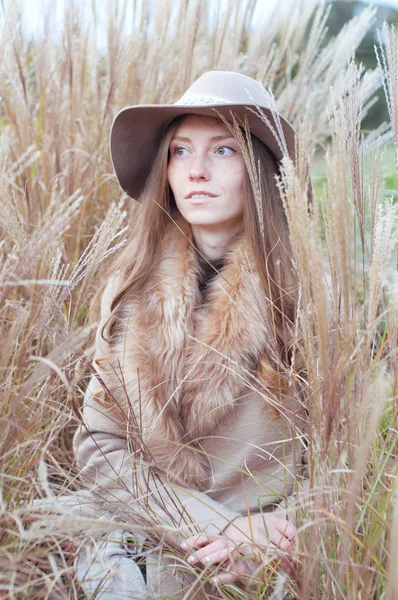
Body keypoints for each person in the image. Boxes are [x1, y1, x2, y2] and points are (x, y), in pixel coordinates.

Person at [73, 71, 310, 599]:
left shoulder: (308, 297)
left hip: (266, 553)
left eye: (223, 151)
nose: (196, 171)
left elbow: (343, 452)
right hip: (143, 532)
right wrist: (213, 524)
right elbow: (99, 443)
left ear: (261, 170)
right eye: (180, 151)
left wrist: (281, 537)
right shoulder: (130, 287)